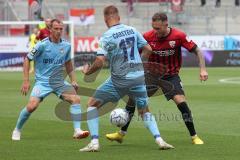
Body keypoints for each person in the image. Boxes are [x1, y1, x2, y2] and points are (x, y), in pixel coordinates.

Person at [79, 5, 174, 152]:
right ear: (119, 17)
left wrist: (88, 72)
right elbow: (148, 49)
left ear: (105, 19)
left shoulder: (107, 36)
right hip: (137, 77)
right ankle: (160, 140)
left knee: (92, 104)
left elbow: (99, 61)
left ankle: (95, 142)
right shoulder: (132, 30)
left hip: (119, 80)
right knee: (144, 111)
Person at [106, 12, 208, 145]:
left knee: (181, 102)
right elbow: (133, 52)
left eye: (158, 28)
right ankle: (121, 134)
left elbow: (197, 51)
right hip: (150, 76)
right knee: (133, 99)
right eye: (153, 27)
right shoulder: (147, 36)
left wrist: (203, 69)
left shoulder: (179, 36)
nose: (155, 31)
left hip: (170, 76)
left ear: (166, 24)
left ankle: (194, 136)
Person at [11, 19, 89, 141]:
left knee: (76, 99)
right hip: (42, 82)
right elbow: (27, 59)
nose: (59, 31)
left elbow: (68, 63)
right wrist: (26, 80)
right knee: (32, 106)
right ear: (50, 29)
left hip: (58, 81)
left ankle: (77, 131)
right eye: (56, 29)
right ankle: (17, 129)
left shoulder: (66, 46)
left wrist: (73, 80)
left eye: (61, 29)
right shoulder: (41, 45)